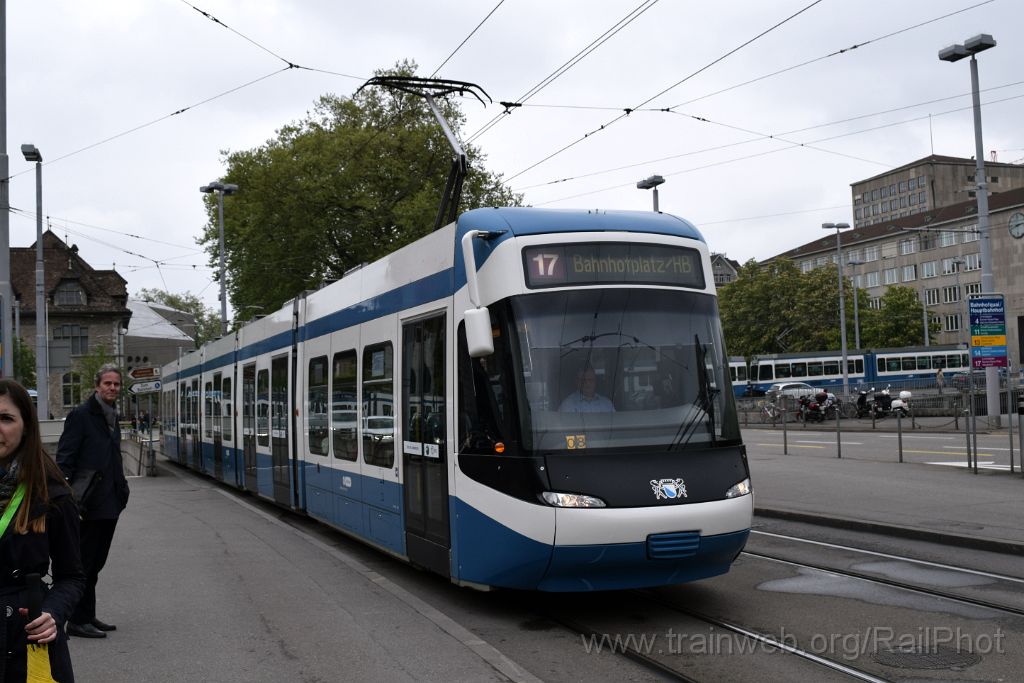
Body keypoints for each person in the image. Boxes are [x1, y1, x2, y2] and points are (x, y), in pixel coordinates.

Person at [0, 379, 85, 682]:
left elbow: (72, 577)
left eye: (6, 418)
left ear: (26, 427)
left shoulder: (53, 495)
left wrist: (53, 613)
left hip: (26, 640)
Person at [56, 364, 130, 639]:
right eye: (107, 383)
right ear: (97, 386)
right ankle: (76, 620)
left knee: (96, 563)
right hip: (87, 504)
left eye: (116, 384)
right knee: (84, 564)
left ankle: (87, 614)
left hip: (109, 502)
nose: (112, 388)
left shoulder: (111, 416)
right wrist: (65, 499)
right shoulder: (82, 415)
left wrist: (122, 491)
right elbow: (65, 457)